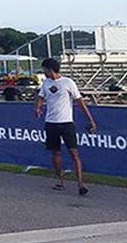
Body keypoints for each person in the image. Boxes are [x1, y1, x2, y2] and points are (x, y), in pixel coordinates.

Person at [34, 57, 97, 196]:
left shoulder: (68, 82)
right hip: (51, 122)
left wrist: (90, 120)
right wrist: (38, 108)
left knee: (74, 153)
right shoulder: (46, 83)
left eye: (44, 70)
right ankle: (60, 181)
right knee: (55, 152)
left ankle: (80, 184)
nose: (43, 72)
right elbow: (40, 96)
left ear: (50, 70)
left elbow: (79, 102)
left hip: (66, 122)